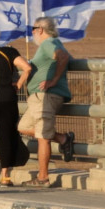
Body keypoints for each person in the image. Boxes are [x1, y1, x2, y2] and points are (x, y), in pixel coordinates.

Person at [18, 16, 75, 188]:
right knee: (23, 127)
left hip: (46, 96)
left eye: (33, 29)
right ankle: (63, 139)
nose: (33, 33)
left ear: (41, 30)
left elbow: (63, 57)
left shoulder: (48, 43)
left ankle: (42, 177)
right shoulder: (55, 43)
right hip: (39, 97)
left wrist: (53, 80)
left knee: (43, 137)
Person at [0, 42, 32, 186]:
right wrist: (18, 84)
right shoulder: (8, 52)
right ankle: (5, 175)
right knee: (5, 136)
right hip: (8, 98)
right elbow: (27, 68)